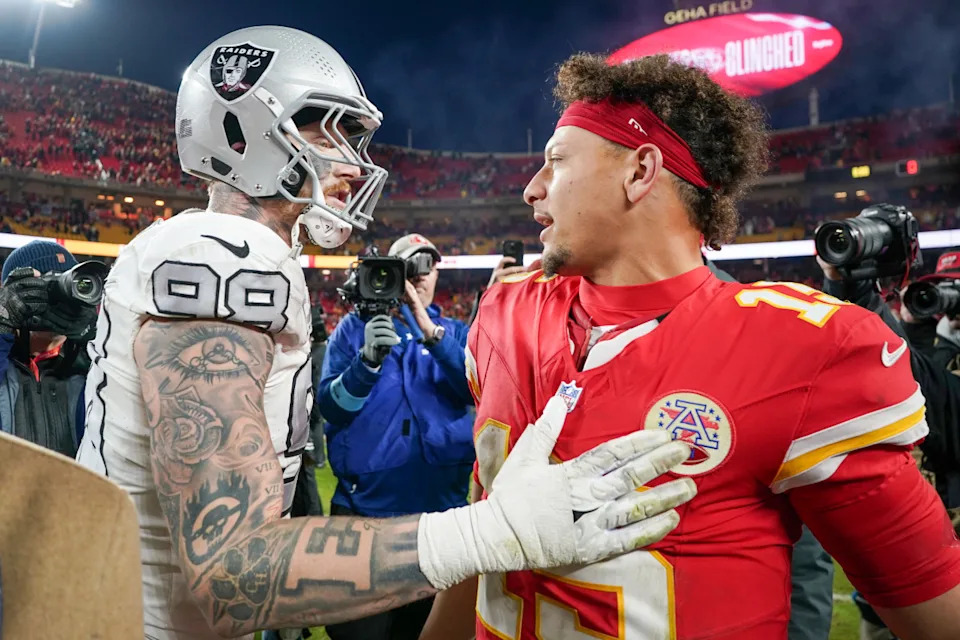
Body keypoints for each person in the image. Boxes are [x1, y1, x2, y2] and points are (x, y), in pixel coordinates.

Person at [75, 27, 696, 639]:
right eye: (333, 134)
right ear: (244, 133)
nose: (355, 163)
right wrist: (493, 532)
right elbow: (231, 573)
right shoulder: (223, 258)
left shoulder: (228, 253)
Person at [421, 53, 960, 640]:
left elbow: (932, 608)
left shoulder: (802, 347)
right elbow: (487, 530)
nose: (532, 189)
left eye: (556, 160)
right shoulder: (505, 312)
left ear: (640, 171)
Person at [318, 233, 473, 640]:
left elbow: (476, 389)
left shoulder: (455, 332)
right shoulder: (353, 331)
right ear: (389, 274)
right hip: (366, 514)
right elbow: (331, 408)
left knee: (433, 631)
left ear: (438, 274)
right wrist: (365, 364)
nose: (419, 274)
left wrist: (428, 330)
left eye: (428, 264)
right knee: (358, 633)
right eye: (409, 265)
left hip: (441, 514)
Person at [0, 240, 97, 457]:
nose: (59, 301)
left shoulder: (92, 367)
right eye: (43, 288)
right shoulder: (4, 363)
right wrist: (2, 322)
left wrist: (98, 342)